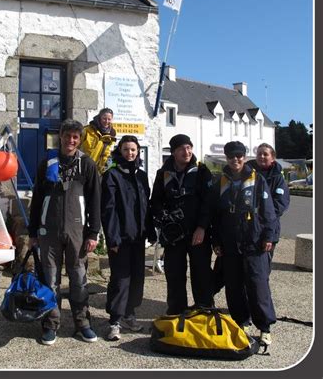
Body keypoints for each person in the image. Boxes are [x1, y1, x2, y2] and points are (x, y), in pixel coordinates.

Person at [28, 119, 101, 346]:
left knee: (78, 280)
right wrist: (32, 232)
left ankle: (83, 324)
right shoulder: (46, 164)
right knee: (50, 281)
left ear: (79, 140)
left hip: (77, 232)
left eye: (75, 137)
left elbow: (95, 201)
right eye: (67, 136)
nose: (71, 141)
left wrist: (93, 232)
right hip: (48, 232)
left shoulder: (87, 165)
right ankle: (51, 325)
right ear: (60, 136)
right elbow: (37, 199)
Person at [210, 141, 277, 347]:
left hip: (254, 241)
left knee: (258, 286)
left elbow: (268, 212)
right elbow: (215, 215)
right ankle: (242, 322)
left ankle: (264, 327)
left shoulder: (257, 180)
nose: (235, 160)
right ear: (226, 158)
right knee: (234, 286)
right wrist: (216, 241)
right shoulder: (220, 182)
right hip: (230, 242)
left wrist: (269, 237)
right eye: (231, 156)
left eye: (239, 156)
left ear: (244, 157)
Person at [150, 134, 214, 315]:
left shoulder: (202, 171)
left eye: (189, 147)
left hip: (198, 232)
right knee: (175, 274)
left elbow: (208, 203)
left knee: (201, 273)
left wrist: (202, 227)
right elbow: (155, 201)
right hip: (174, 234)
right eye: (181, 149)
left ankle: (204, 309)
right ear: (173, 152)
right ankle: (176, 310)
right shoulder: (163, 173)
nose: (186, 152)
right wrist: (162, 217)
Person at [101, 135, 156, 341]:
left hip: (138, 238)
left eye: (133, 150)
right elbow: (109, 211)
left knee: (136, 278)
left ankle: (129, 315)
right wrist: (112, 239)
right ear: (120, 151)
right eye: (126, 150)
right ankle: (115, 320)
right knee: (120, 279)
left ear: (138, 152)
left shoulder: (141, 176)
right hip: (121, 239)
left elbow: (146, 207)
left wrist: (150, 231)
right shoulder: (112, 175)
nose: (130, 153)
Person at [247, 143, 290, 258]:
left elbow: (280, 204)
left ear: (273, 158)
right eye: (259, 154)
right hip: (248, 227)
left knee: (263, 266)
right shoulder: (247, 173)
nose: (261, 156)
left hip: (269, 228)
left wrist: (261, 215)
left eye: (265, 154)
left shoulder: (278, 178)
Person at [80, 108, 117, 175]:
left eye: (109, 119)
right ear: (99, 118)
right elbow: (76, 147)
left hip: (101, 172)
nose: (106, 121)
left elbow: (111, 153)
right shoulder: (87, 130)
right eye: (104, 118)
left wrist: (108, 168)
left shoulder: (112, 134)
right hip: (85, 168)